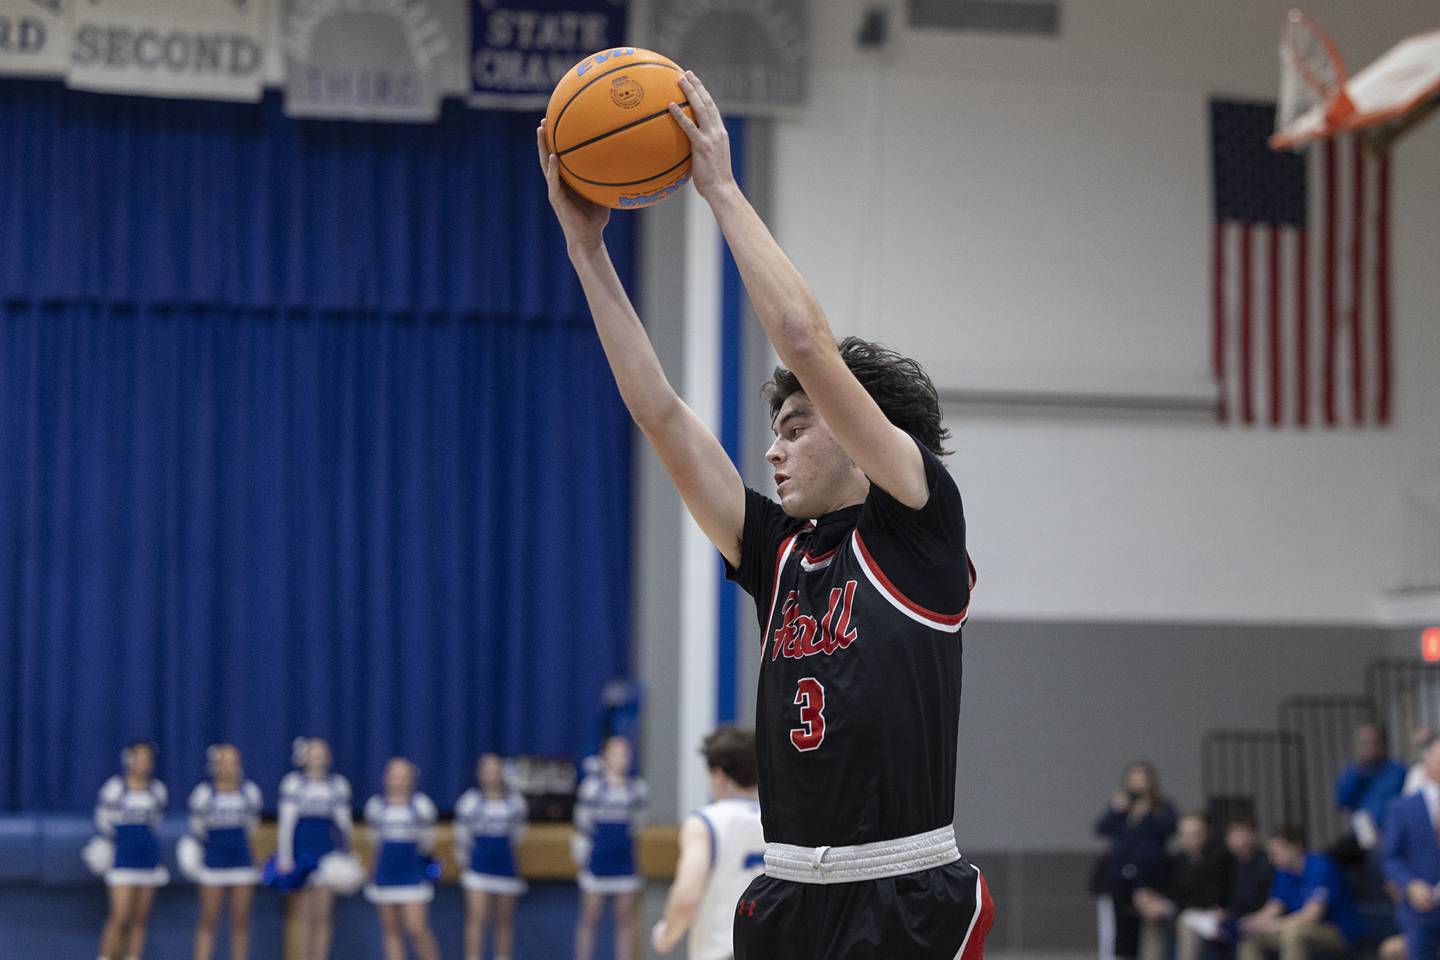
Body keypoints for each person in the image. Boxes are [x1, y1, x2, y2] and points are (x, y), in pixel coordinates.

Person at [539, 64, 992, 960]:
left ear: (868, 430)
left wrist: (719, 187)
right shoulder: (778, 550)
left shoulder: (918, 521)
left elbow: (801, 340)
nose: (773, 450)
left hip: (903, 894)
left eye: (795, 426)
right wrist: (587, 249)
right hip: (785, 892)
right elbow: (658, 412)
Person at [651, 727, 765, 959]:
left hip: (723, 949)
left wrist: (667, 934)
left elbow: (687, 895)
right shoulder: (779, 821)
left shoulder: (705, 822)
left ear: (719, 775)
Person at [276, 737, 353, 960]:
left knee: (323, 915)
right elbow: (287, 824)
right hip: (301, 853)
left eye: (322, 752)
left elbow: (343, 823)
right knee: (302, 915)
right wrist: (285, 856)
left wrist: (345, 854)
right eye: (313, 752)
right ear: (303, 757)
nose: (318, 757)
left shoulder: (337, 785)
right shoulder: (293, 783)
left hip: (327, 854)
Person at [572, 735, 648, 960]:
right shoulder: (591, 788)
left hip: (624, 861)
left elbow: (639, 825)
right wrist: (582, 858)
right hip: (597, 860)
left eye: (626, 753)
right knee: (589, 917)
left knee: (625, 920)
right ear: (605, 757)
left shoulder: (637, 789)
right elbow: (582, 824)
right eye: (616, 753)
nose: (622, 758)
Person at [1237, 825, 1362, 960]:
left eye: (1277, 853)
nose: (1273, 859)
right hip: (1295, 927)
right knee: (1250, 940)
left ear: (1295, 847)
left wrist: (1275, 925)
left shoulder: (1321, 867)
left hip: (1337, 932)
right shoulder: (1283, 872)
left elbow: (1312, 916)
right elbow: (1272, 909)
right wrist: (1249, 923)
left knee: (1294, 934)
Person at [95, 740, 169, 960]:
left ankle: (134, 956)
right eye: (138, 758)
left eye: (148, 759)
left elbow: (156, 822)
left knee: (140, 918)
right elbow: (103, 822)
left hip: (147, 858)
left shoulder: (158, 790)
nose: (143, 763)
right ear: (128, 760)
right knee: (120, 916)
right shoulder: (115, 788)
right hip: (122, 858)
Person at [187, 744, 263, 960]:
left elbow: (252, 828)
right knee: (209, 919)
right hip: (213, 860)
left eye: (233, 762)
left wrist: (254, 857)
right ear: (215, 765)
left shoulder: (250, 793)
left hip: (242, 861)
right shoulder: (203, 794)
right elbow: (197, 830)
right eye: (224, 762)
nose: (229, 767)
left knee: (241, 920)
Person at [1096, 762, 1178, 960]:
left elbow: (1170, 827)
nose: (1138, 785)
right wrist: (1116, 811)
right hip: (1121, 878)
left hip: (1151, 878)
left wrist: (1146, 815)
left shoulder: (1162, 807)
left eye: (1142, 779)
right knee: (1120, 933)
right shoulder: (1121, 806)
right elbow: (1101, 828)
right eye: (1134, 780)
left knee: (1150, 929)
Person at [364, 758, 441, 960]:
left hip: (412, 871)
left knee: (417, 928)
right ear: (386, 778)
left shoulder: (422, 806)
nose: (398, 780)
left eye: (403, 775)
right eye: (394, 775)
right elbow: (374, 839)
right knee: (391, 930)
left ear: (411, 779)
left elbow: (428, 841)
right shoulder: (375, 806)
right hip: (386, 871)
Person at [455, 753, 530, 960]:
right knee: (476, 918)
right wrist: (465, 863)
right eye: (486, 771)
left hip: (505, 868)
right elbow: (462, 838)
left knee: (503, 920)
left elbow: (518, 835)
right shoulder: (469, 803)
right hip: (478, 868)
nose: (491, 776)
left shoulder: (515, 803)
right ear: (479, 774)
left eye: (495, 771)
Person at [1176, 815, 1275, 960]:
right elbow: (1223, 894)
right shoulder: (1229, 862)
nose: (1231, 837)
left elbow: (1258, 901)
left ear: (1252, 835)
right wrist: (1223, 911)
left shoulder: (1265, 863)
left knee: (1244, 939)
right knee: (1190, 920)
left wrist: (1237, 916)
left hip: (1256, 920)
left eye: (1238, 832)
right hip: (1231, 919)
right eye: (1230, 833)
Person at [1134, 812, 1228, 960]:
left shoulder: (1218, 859)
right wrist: (1152, 898)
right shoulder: (1179, 860)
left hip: (1207, 915)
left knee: (1186, 923)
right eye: (1183, 834)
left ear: (1206, 833)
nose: (1187, 839)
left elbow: (1210, 898)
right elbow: (1170, 889)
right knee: (1152, 917)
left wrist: (1171, 906)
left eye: (1193, 834)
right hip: (1181, 911)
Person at [1381, 734, 1440, 958]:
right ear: (1427, 760)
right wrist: (1410, 884)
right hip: (1420, 908)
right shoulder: (1403, 807)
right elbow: (1390, 857)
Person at [1336, 723, 1407, 849]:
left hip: (1392, 832)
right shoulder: (1353, 771)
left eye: (1375, 742)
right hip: (1363, 834)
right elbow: (1342, 801)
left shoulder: (1397, 770)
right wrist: (1358, 773)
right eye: (1365, 743)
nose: (1371, 747)